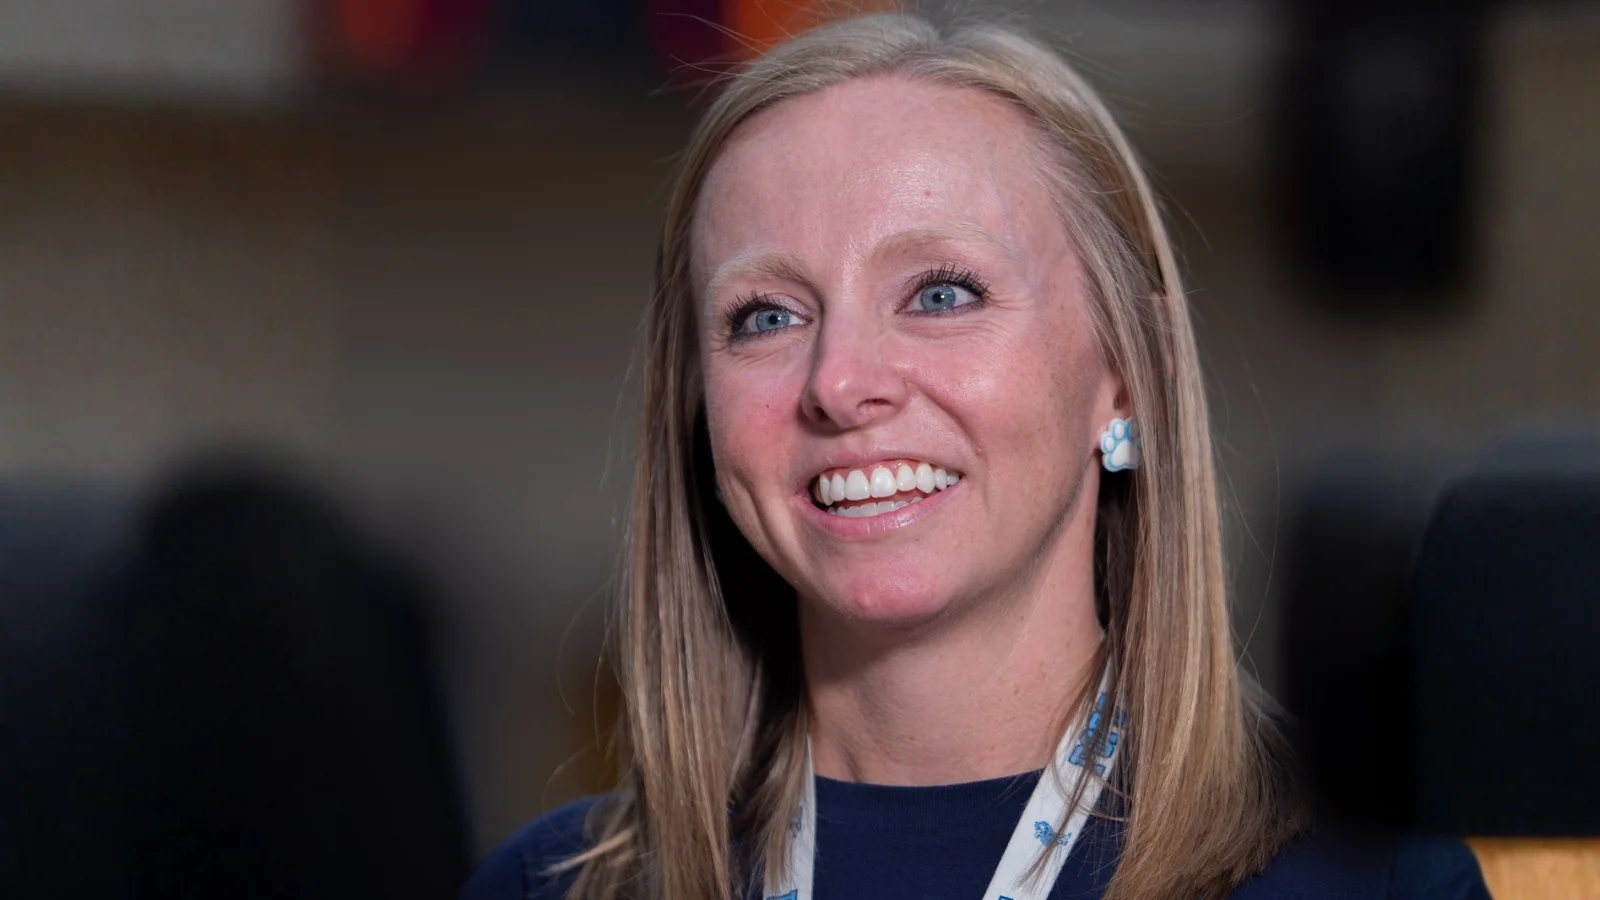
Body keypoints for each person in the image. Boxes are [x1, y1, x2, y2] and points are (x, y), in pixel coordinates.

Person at [463, 12, 1491, 900]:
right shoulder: (547, 886)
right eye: (765, 315)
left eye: (941, 293)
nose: (839, 381)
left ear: (1125, 375)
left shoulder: (1372, 880)